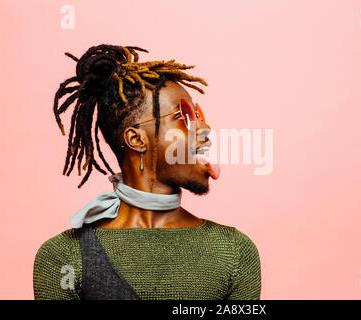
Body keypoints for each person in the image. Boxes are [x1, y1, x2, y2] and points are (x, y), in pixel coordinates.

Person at [33, 44, 261, 300]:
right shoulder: (63, 256)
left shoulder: (234, 251)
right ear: (136, 139)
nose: (205, 128)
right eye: (183, 117)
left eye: (199, 116)